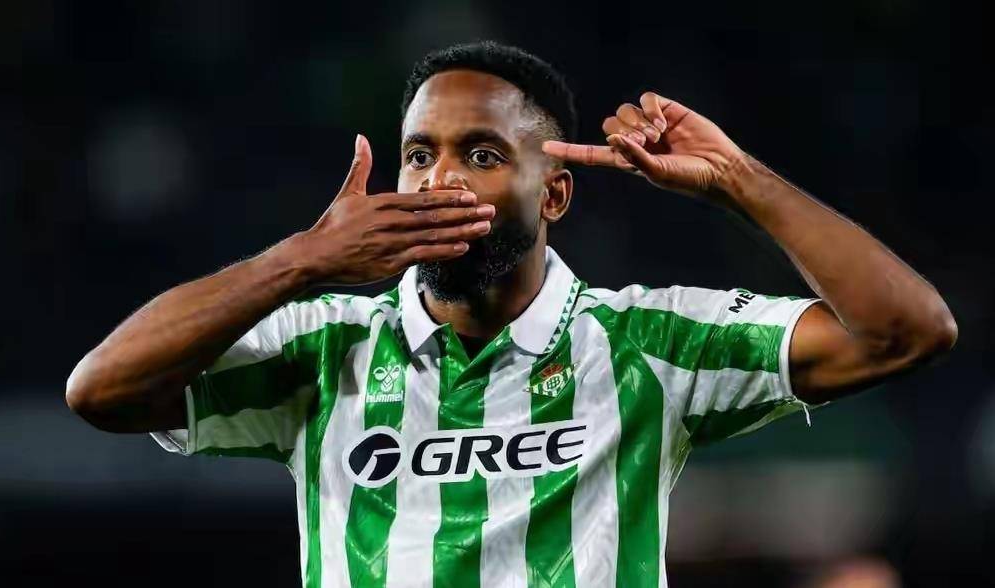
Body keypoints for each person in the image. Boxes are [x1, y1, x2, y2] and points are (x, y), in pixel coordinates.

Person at [65, 41, 957, 588]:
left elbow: (907, 332)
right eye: (419, 155)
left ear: (554, 194)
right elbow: (101, 391)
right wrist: (297, 261)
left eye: (482, 155)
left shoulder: (647, 343)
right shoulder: (326, 348)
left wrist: (739, 182)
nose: (440, 180)